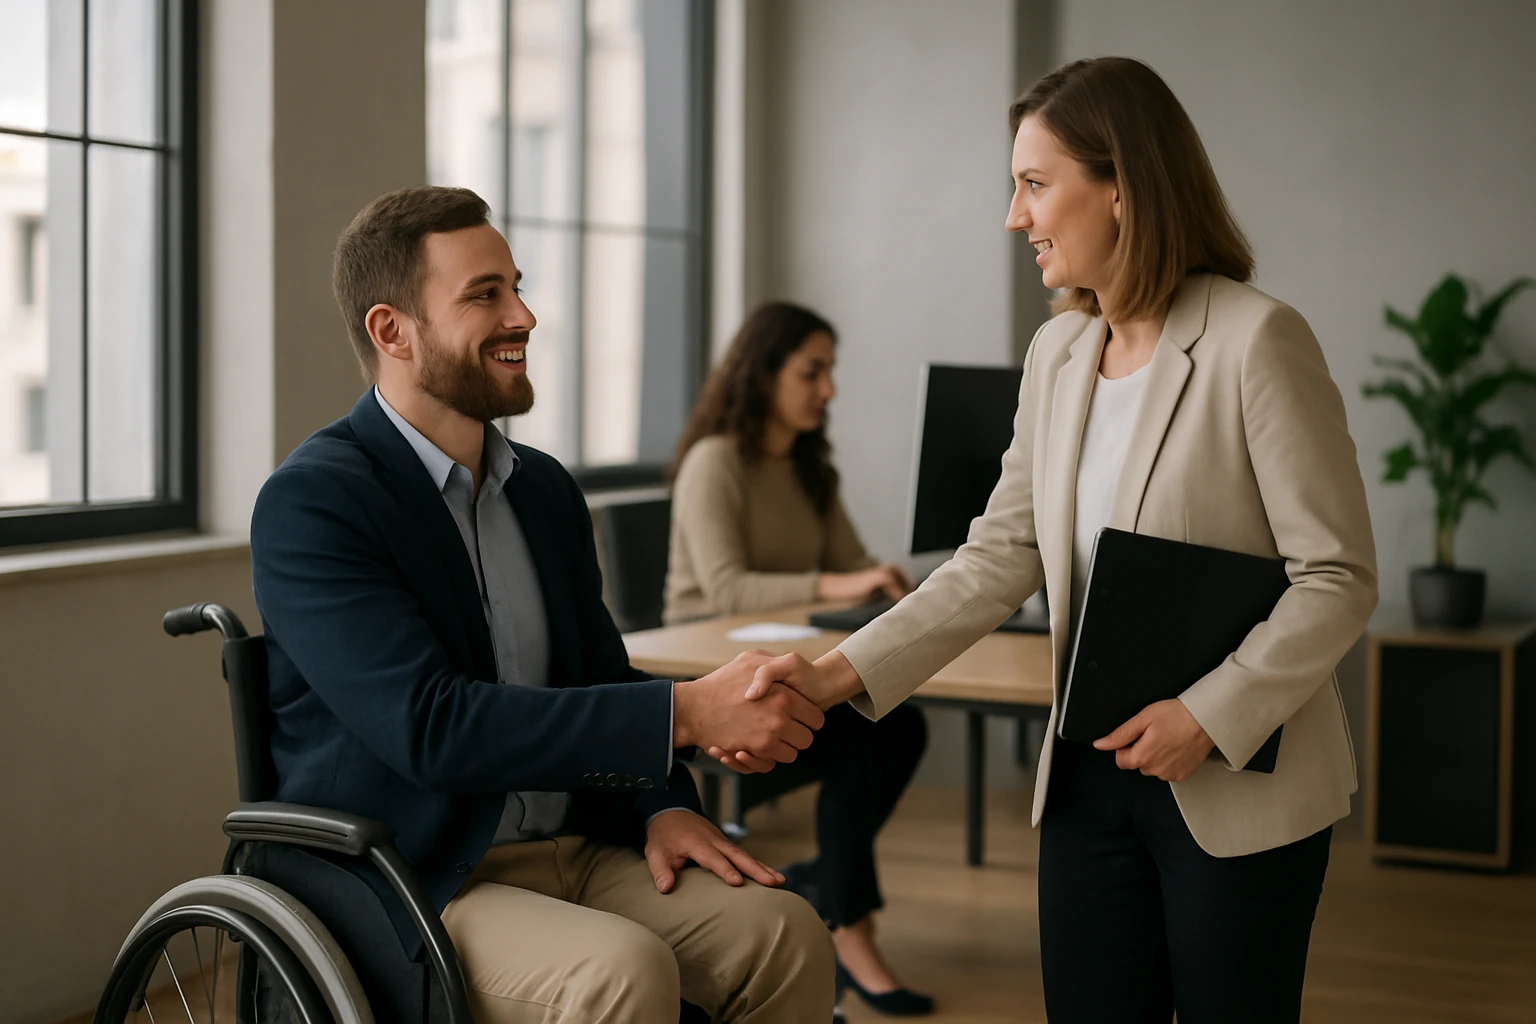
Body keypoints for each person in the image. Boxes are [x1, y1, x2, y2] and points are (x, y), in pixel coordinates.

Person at [734, 57, 1378, 1024]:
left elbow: (1337, 575)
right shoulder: (1057, 353)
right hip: (1084, 777)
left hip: (1233, 781)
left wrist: (1208, 715)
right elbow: (1000, 555)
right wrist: (831, 677)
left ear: (1122, 186)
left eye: (1035, 184)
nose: (1014, 217)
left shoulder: (1258, 341)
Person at [249, 185, 835, 1023]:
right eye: (484, 295)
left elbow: (599, 675)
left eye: (517, 288)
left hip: (580, 846)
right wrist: (687, 713)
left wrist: (663, 803)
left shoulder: (545, 491)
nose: (523, 316)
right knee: (623, 972)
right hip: (420, 878)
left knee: (786, 933)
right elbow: (432, 726)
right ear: (392, 331)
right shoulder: (315, 503)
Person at [665, 301, 934, 1017]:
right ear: (764, 373)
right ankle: (850, 927)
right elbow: (726, 588)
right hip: (706, 685)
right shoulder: (715, 461)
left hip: (783, 669)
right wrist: (842, 585)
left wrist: (883, 585)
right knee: (866, 739)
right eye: (812, 372)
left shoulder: (812, 470)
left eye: (829, 372)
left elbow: (852, 563)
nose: (828, 389)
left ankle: (831, 891)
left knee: (895, 724)